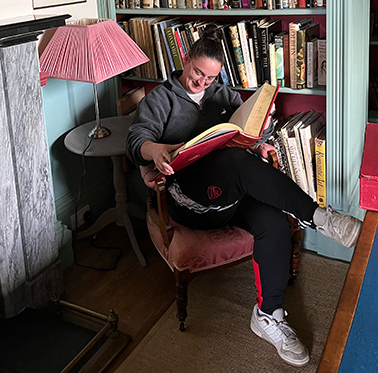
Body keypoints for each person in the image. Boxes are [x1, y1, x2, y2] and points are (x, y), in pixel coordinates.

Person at [126, 25, 362, 368]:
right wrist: (155, 149)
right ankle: (319, 217)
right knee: (235, 161)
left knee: (273, 222)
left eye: (210, 77)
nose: (202, 82)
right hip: (190, 200)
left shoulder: (223, 94)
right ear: (186, 59)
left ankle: (268, 315)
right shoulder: (160, 100)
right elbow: (136, 141)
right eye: (198, 73)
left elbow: (248, 130)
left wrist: (260, 141)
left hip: (230, 194)